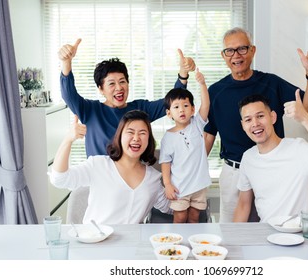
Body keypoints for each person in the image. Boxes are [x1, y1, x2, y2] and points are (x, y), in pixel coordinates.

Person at [203, 27, 308, 222]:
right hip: (234, 171)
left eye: (242, 49)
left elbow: (307, 107)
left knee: (274, 225)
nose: (236, 55)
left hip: (271, 169)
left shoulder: (271, 83)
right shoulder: (216, 91)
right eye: (230, 51)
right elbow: (208, 135)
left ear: (253, 50)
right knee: (232, 231)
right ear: (223, 55)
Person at [58, 39, 195, 156]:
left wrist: (183, 73)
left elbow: (173, 102)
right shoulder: (91, 110)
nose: (119, 87)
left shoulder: (139, 109)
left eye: (122, 81)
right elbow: (68, 94)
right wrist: (66, 63)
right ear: (101, 89)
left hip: (134, 179)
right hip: (102, 180)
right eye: (111, 83)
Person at [233, 92, 308, 222]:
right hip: (267, 235)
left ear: (273, 117)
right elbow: (243, 205)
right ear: (243, 126)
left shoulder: (298, 148)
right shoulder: (248, 158)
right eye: (248, 120)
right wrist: (233, 238)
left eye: (260, 116)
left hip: (301, 235)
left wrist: (305, 119)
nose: (255, 123)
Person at [49, 110, 170, 225]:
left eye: (142, 133)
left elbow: (171, 206)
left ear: (149, 140)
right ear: (120, 136)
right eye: (130, 132)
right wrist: (68, 140)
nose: (136, 138)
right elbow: (59, 179)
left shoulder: (153, 178)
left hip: (133, 244)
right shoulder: (98, 165)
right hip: (96, 241)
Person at [159, 69, 211, 223]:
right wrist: (167, 184)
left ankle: (192, 245)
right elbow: (165, 163)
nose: (181, 109)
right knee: (180, 217)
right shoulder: (168, 137)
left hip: (199, 185)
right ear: (169, 114)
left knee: (195, 217)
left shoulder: (197, 124)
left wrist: (202, 84)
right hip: (180, 187)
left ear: (193, 109)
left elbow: (206, 104)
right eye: (176, 107)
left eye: (186, 105)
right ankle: (177, 246)